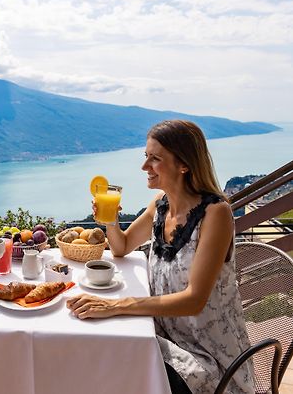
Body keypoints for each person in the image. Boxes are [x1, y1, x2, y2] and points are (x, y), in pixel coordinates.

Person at [66, 120, 255, 394]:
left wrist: (117, 305)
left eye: (155, 159)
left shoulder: (216, 214)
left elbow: (194, 300)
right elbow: (123, 246)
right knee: (100, 349)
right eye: (146, 156)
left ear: (184, 165)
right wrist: (109, 220)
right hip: (164, 337)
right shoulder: (160, 205)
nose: (145, 167)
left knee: (116, 367)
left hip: (208, 358)